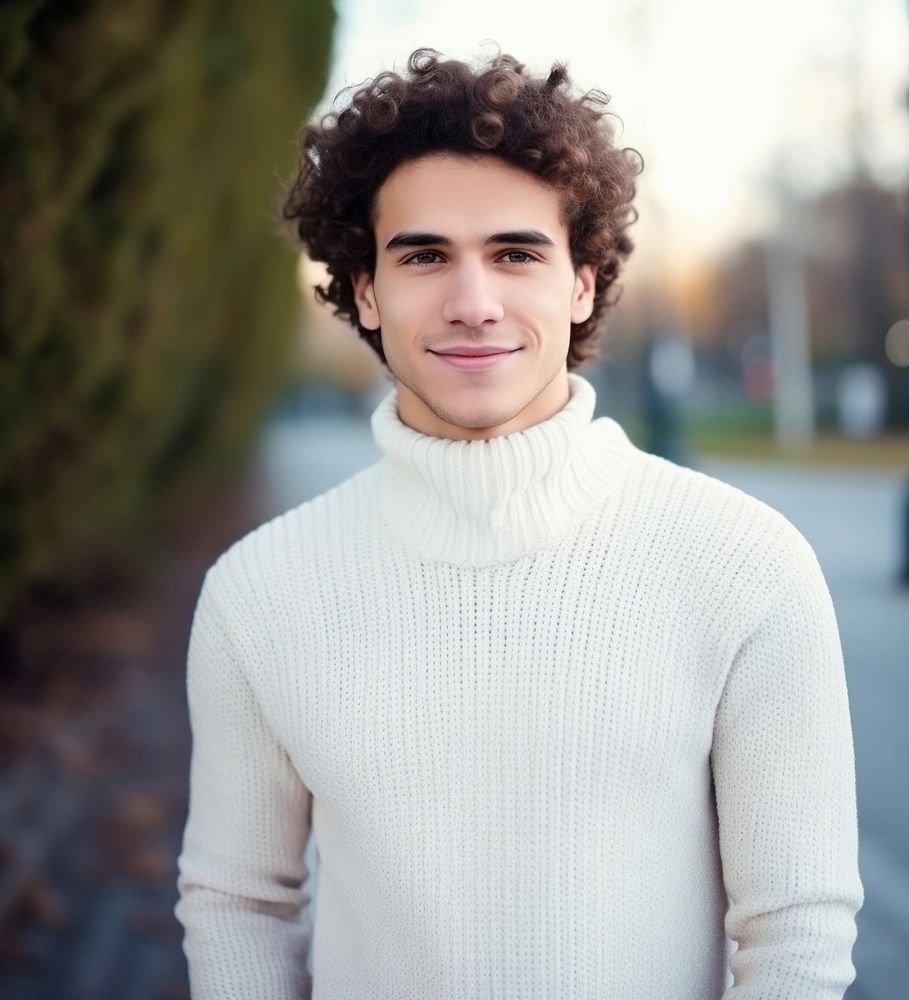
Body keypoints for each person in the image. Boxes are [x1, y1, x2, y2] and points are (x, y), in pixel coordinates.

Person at [174, 47, 864, 999]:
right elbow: (238, 903)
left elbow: (797, 931)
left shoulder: (747, 567)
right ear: (365, 291)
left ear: (581, 282)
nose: (472, 303)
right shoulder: (258, 596)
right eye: (423, 256)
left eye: (516, 253)